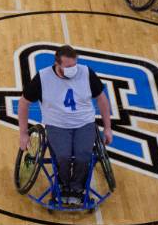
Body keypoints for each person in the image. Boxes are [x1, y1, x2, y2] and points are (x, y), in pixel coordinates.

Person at [17, 45, 114, 205]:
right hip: (57, 124)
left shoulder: (86, 73)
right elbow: (23, 103)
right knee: (63, 157)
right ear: (57, 63)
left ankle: (76, 189)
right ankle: (63, 186)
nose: (72, 70)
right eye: (68, 67)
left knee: (83, 156)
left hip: (84, 123)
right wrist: (23, 133)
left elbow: (102, 99)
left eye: (74, 65)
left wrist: (108, 128)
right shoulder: (43, 78)